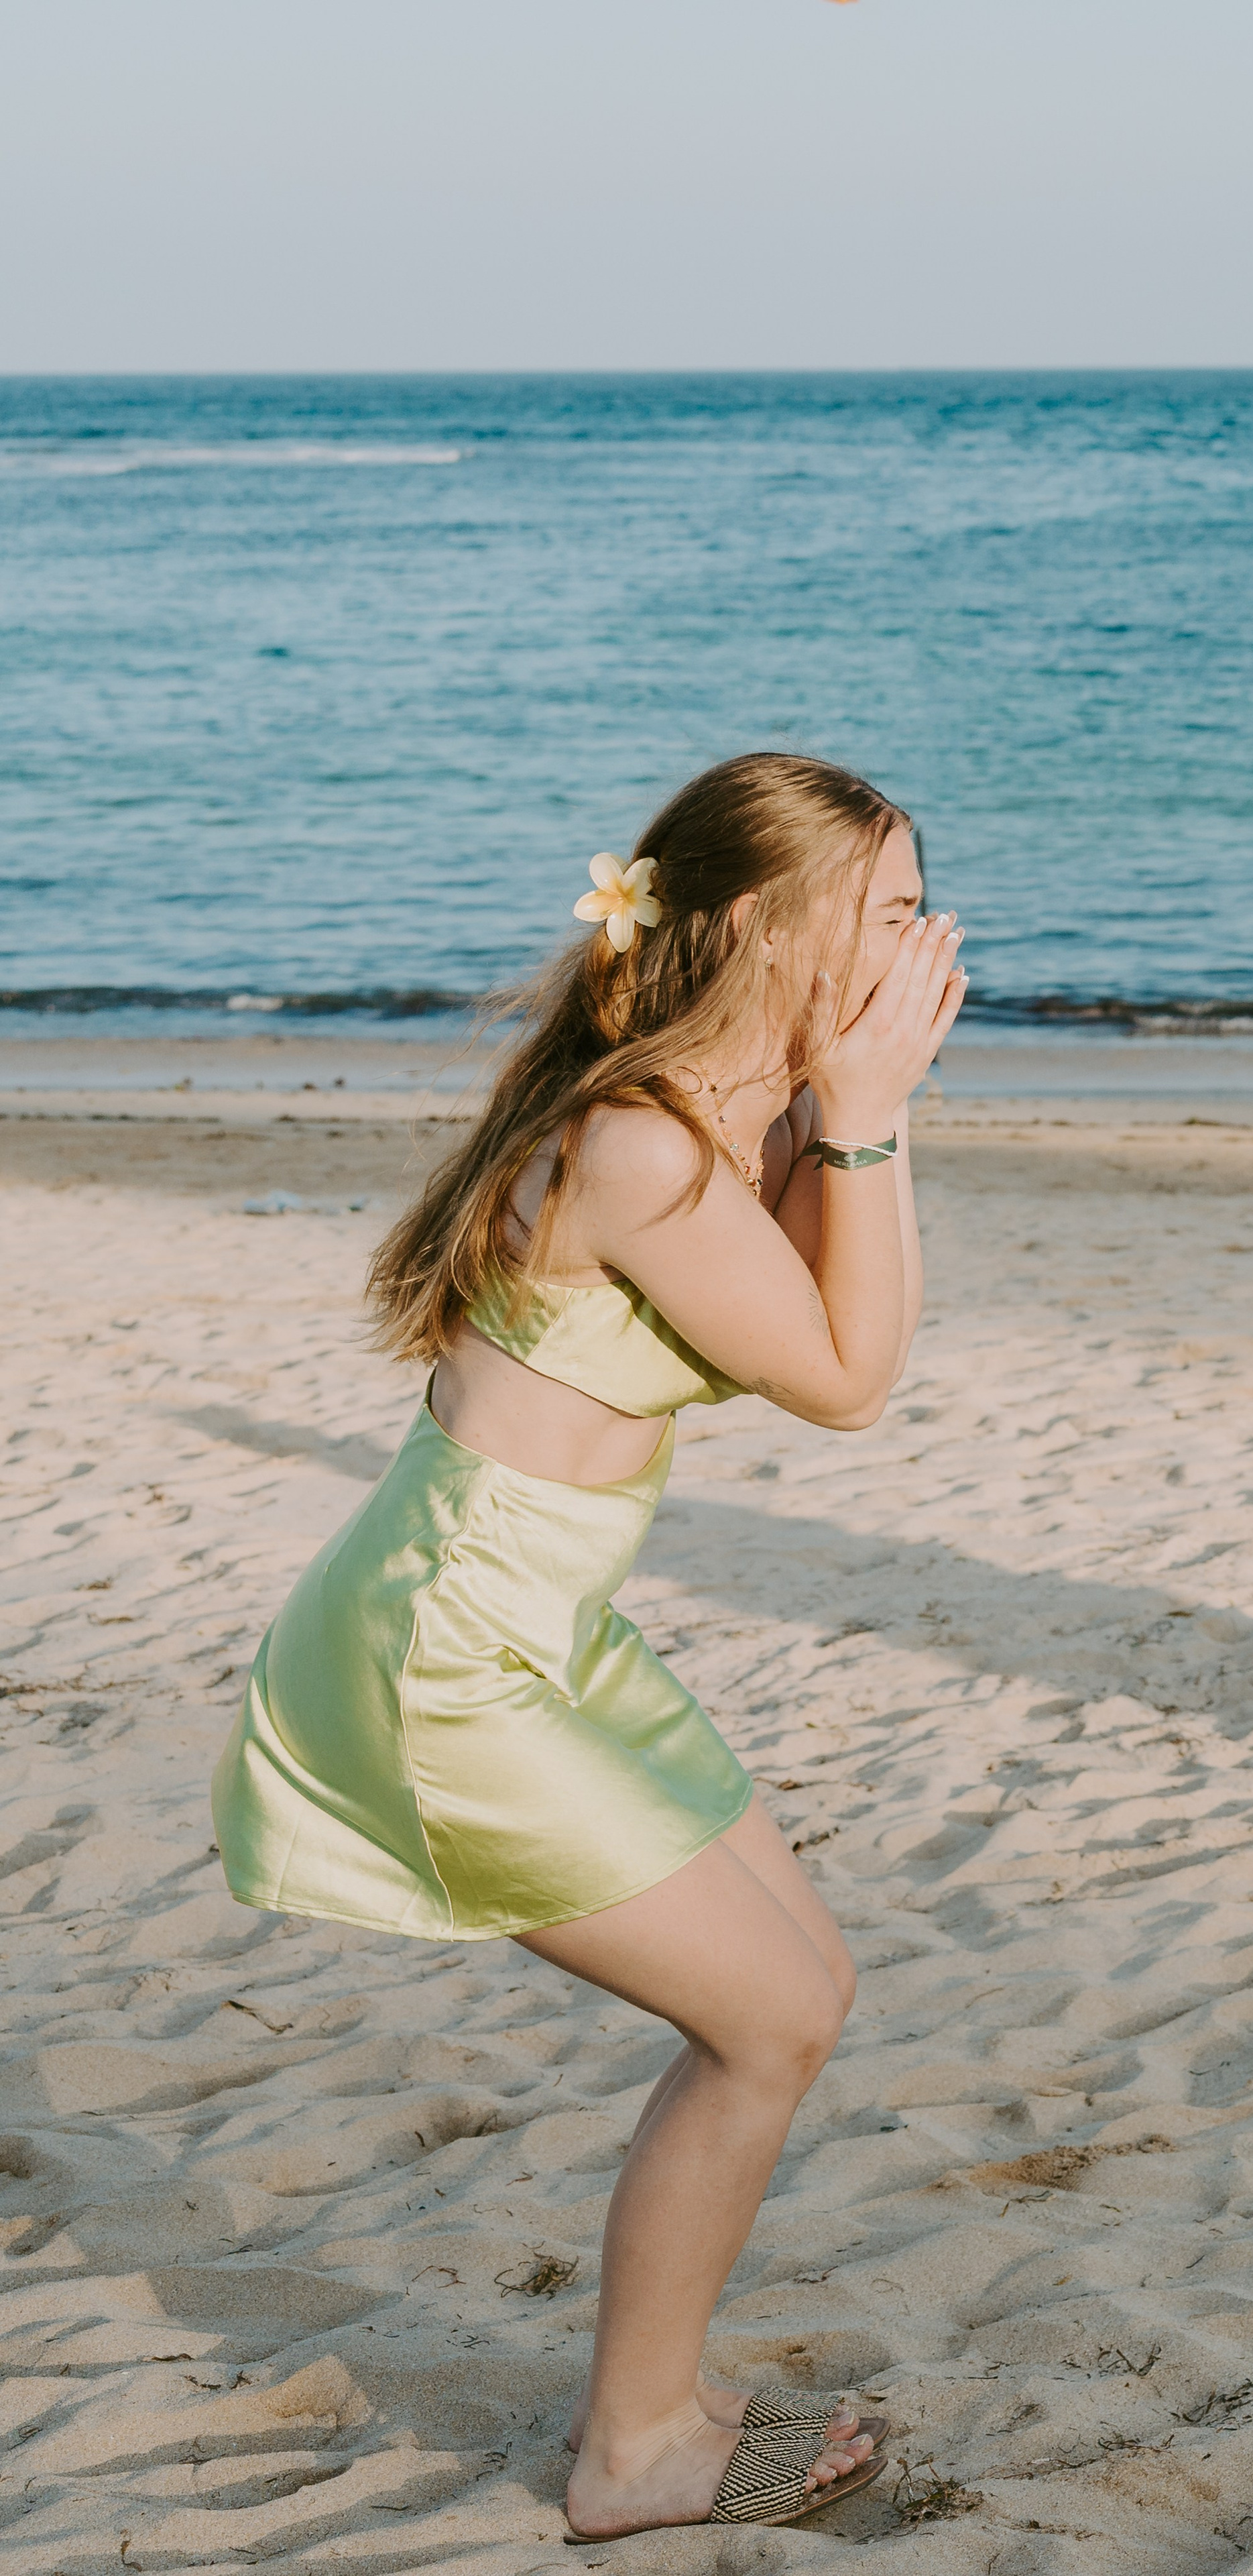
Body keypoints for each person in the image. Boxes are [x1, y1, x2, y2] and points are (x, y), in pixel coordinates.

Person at [211, 752, 966, 2538]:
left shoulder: (731, 1101)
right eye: (886, 909)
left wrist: (855, 1108)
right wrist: (867, 1116)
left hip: (544, 1621)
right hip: (447, 1651)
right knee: (767, 2022)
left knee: (808, 1991)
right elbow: (855, 1383)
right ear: (774, 931)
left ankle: (667, 2393)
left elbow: (839, 1329)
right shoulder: (639, 1141)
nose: (925, 938)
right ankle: (635, 2455)